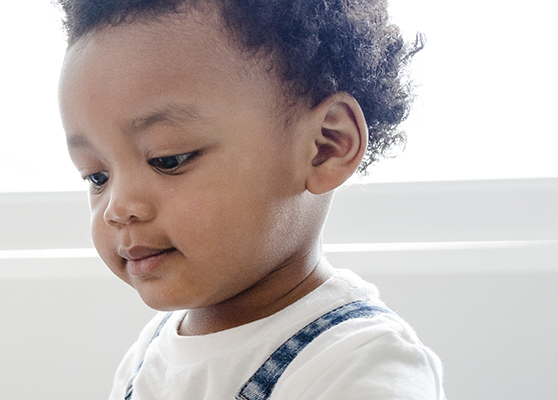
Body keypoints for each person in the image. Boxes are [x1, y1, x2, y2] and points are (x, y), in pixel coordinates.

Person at [56, 0, 444, 398]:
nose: (117, 208)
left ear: (325, 146)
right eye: (97, 176)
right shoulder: (148, 355)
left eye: (168, 160)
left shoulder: (361, 367)